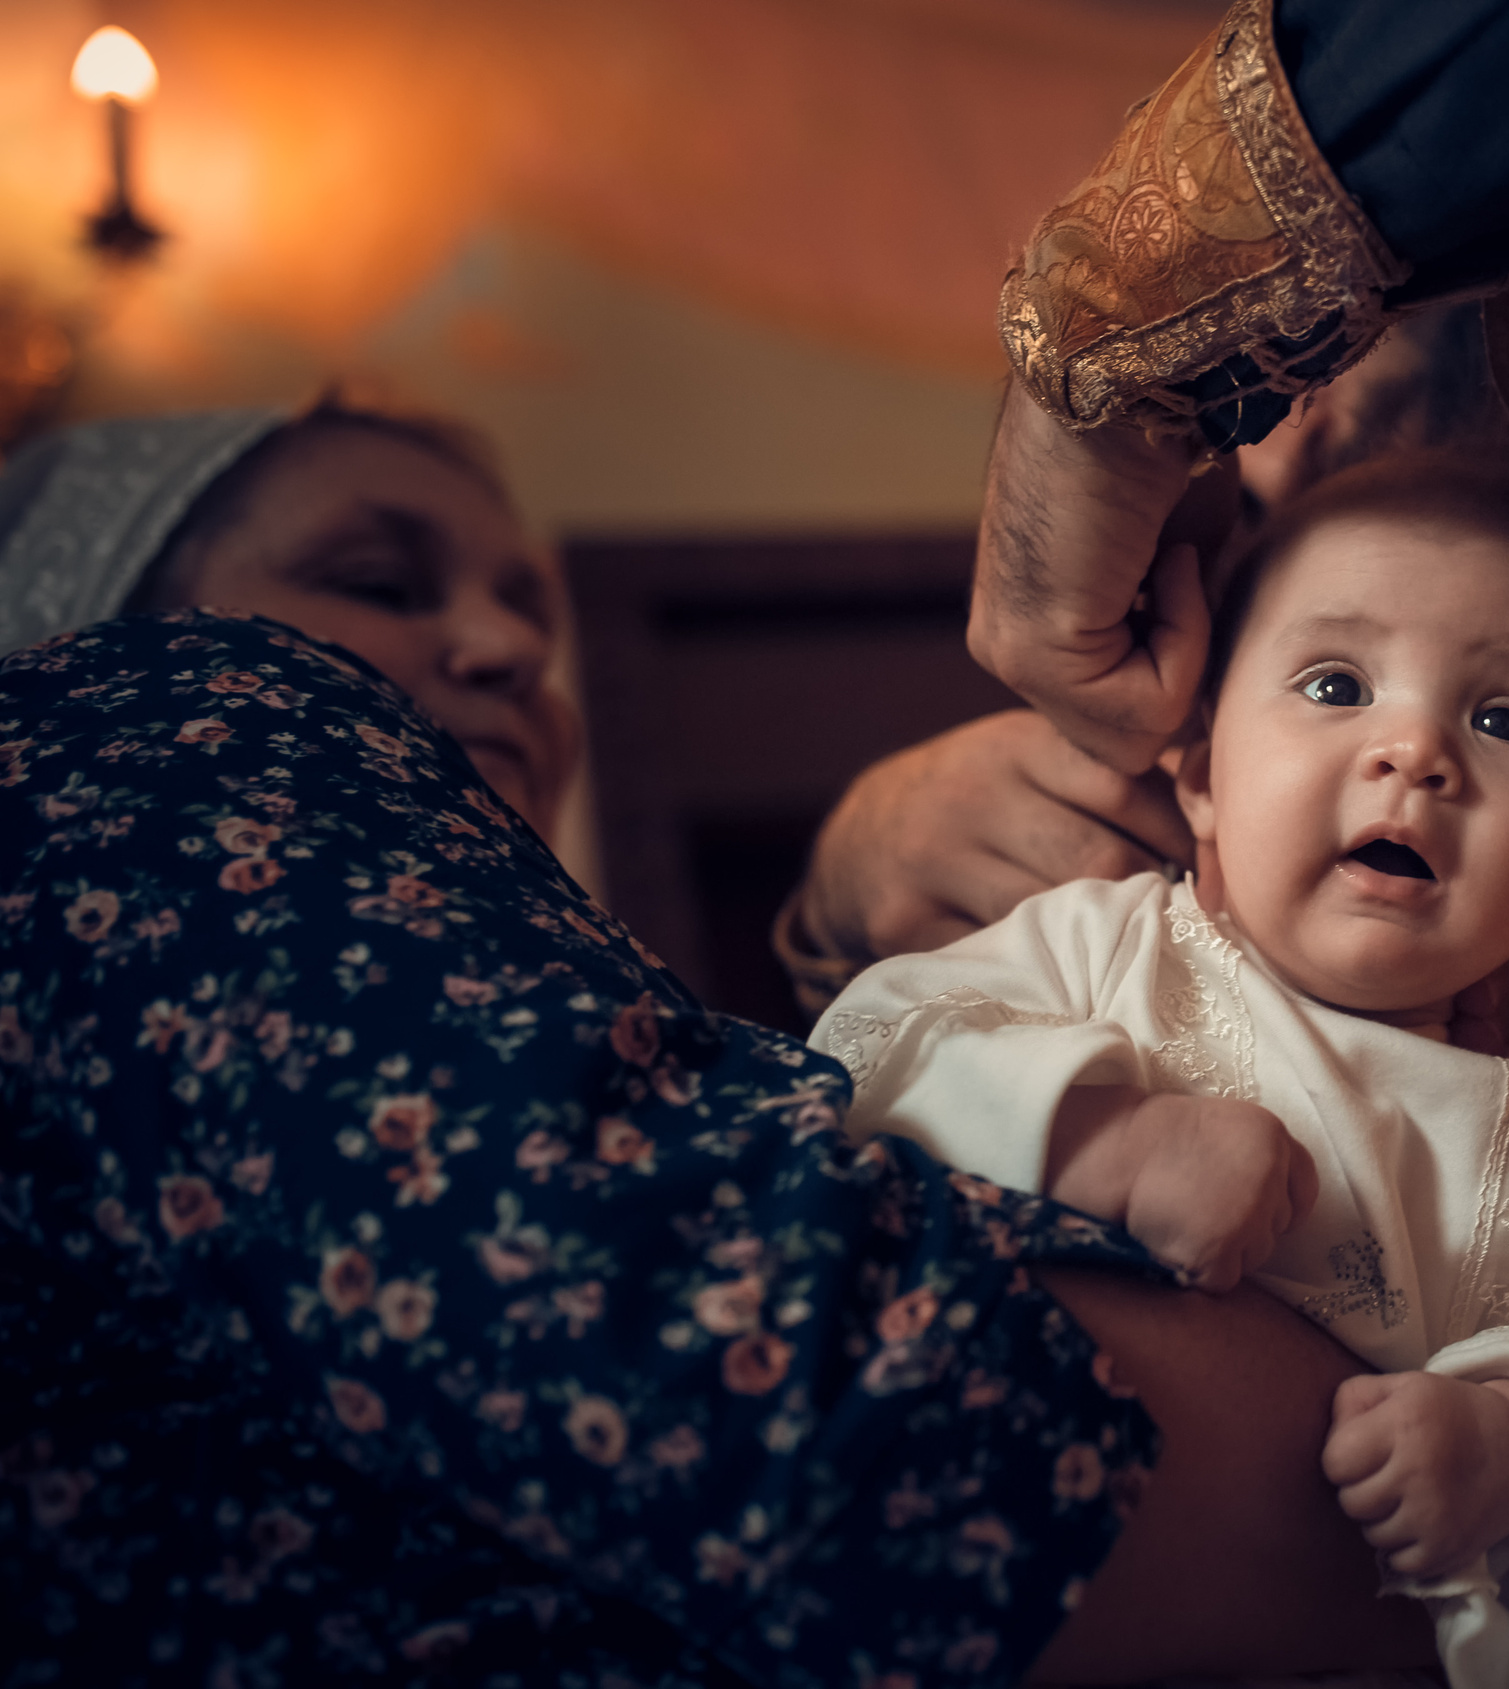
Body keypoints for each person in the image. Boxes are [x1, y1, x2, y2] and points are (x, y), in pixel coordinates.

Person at [0, 405, 1436, 1684]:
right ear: (89, 618)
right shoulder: (155, 711)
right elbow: (735, 1355)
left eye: (532, 619)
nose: (508, 645)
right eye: (376, 582)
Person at [814, 456, 1509, 1689]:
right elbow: (869, 1050)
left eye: (1502, 718)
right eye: (1335, 685)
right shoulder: (1106, 947)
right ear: (1198, 772)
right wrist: (1104, 1142)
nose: (1414, 751)